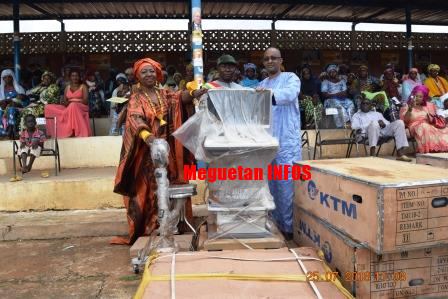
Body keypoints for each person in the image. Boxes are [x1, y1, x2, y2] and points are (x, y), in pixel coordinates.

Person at [111, 57, 207, 245]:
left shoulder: (165, 93)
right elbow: (135, 118)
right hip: (145, 152)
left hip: (168, 149)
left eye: (152, 71)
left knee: (170, 185)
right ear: (138, 75)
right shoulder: (136, 97)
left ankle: (172, 225)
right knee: (147, 190)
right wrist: (150, 139)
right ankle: (149, 227)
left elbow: (180, 98)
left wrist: (195, 92)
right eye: (144, 72)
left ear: (157, 73)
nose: (149, 74)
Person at [257, 47, 301, 240]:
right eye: (266, 58)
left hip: (286, 143)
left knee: (287, 185)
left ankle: (290, 228)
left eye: (274, 58)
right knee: (270, 186)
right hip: (267, 143)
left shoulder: (291, 78)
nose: (270, 61)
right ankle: (276, 225)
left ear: (281, 60)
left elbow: (289, 95)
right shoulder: (261, 83)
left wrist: (266, 93)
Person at [400, 85, 448, 153]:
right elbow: (406, 120)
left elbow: (433, 117)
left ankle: (440, 148)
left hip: (428, 124)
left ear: (424, 98)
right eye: (416, 96)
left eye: (420, 97)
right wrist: (410, 108)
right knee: (424, 126)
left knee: (445, 128)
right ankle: (428, 149)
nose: (417, 98)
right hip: (414, 126)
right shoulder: (407, 106)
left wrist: (430, 118)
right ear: (413, 96)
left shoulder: (427, 107)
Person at [44, 69, 91, 138]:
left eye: (76, 76)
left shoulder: (83, 86)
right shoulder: (67, 87)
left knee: (73, 105)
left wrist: (73, 102)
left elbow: (85, 101)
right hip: (69, 107)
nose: (75, 77)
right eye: (73, 76)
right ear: (70, 77)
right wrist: (67, 103)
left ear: (79, 77)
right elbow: (65, 102)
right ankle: (52, 132)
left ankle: (72, 131)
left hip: (81, 107)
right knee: (48, 107)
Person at [321, 64, 355, 128]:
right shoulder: (325, 82)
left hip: (343, 99)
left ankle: (353, 122)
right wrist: (337, 94)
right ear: (328, 73)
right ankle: (345, 124)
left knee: (351, 103)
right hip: (330, 100)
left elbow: (345, 93)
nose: (332, 73)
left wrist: (334, 94)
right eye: (330, 72)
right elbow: (325, 95)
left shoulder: (342, 81)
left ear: (337, 72)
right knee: (339, 106)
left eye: (334, 71)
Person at [0, 69, 26, 138]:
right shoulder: (0, 89)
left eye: (9, 77)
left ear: (12, 77)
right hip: (3, 108)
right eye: (5, 77)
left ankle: (12, 129)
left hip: (17, 108)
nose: (7, 79)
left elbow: (23, 101)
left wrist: (11, 101)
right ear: (2, 79)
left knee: (11, 109)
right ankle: (3, 132)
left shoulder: (18, 88)